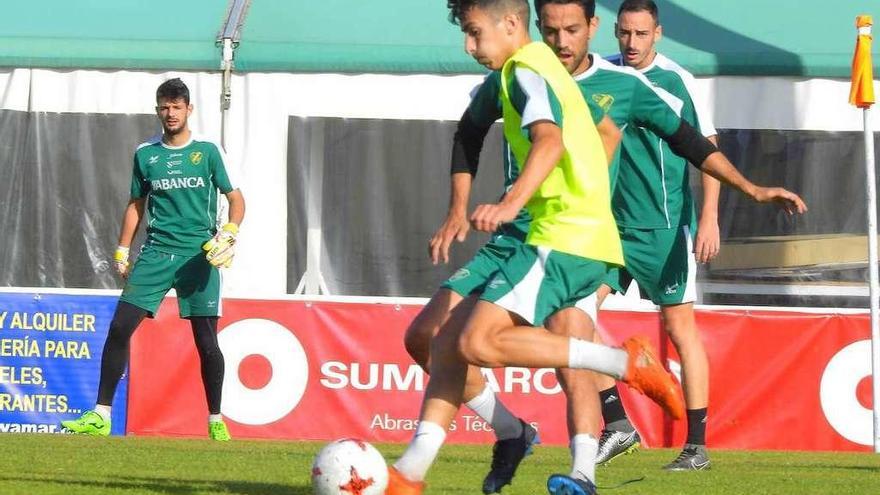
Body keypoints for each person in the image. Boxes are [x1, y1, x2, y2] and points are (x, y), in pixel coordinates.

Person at [407, 0, 807, 490]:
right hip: (521, 234)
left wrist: (748, 190)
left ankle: (589, 467)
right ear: (535, 26)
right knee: (432, 338)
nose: (561, 41)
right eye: (551, 29)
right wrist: (457, 209)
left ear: (593, 27)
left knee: (533, 339)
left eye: (571, 29)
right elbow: (469, 133)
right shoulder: (517, 71)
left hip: (571, 233)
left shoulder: (617, 84)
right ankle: (511, 431)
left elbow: (689, 141)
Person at [387, 2, 687, 494]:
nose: (468, 46)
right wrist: (462, 209)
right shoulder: (534, 72)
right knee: (441, 342)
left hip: (561, 234)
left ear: (509, 25)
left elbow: (549, 143)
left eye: (473, 33)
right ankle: (418, 469)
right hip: (550, 232)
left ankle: (613, 390)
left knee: (480, 343)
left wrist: (509, 203)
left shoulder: (528, 68)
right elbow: (483, 132)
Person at [590, 0, 735, 471]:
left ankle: (696, 446)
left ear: (658, 34)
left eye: (641, 34)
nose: (631, 44)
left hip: (663, 227)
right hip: (609, 228)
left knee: (680, 330)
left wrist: (710, 216)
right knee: (569, 315)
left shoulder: (675, 81)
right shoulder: (601, 75)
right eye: (624, 33)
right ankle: (616, 424)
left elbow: (706, 148)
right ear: (613, 31)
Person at [61, 78, 245, 442]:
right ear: (157, 109)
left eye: (177, 106)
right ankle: (101, 416)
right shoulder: (146, 153)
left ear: (189, 110)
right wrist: (121, 249)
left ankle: (215, 420)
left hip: (199, 256)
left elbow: (236, 200)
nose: (170, 113)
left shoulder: (208, 151)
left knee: (206, 341)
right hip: (156, 253)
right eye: (164, 106)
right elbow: (136, 204)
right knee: (119, 328)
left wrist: (230, 232)